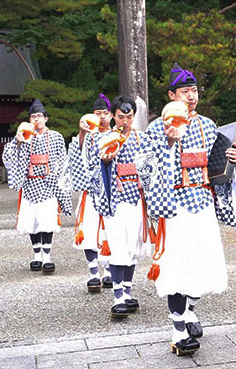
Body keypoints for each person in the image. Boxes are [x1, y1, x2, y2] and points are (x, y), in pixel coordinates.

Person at [137, 63, 236, 356]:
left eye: (194, 91)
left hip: (201, 203)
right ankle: (177, 331)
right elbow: (144, 171)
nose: (191, 96)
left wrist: (233, 159)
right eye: (185, 91)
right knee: (177, 266)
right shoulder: (156, 129)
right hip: (173, 205)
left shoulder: (207, 126)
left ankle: (190, 311)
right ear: (172, 94)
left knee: (202, 264)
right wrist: (169, 145)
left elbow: (217, 168)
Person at [87, 95, 149, 319]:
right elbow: (93, 169)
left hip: (136, 197)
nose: (125, 121)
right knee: (118, 245)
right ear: (113, 116)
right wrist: (105, 161)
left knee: (133, 246)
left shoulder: (143, 139)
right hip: (115, 199)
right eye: (121, 116)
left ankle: (129, 292)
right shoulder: (103, 138)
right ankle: (118, 296)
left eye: (129, 116)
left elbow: (150, 168)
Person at [2, 99, 72, 274]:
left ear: (46, 119)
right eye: (33, 116)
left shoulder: (55, 137)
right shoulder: (24, 136)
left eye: (39, 116)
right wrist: (17, 142)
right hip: (30, 182)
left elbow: (62, 161)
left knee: (47, 221)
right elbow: (9, 158)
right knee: (32, 221)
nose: (36, 120)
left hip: (48, 182)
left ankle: (47, 257)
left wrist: (54, 179)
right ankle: (36, 256)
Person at [68, 93, 114, 292]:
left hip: (113, 192)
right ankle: (93, 272)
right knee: (88, 230)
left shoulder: (117, 134)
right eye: (98, 113)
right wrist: (82, 133)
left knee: (111, 231)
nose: (102, 117)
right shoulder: (86, 136)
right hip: (91, 192)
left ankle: (111, 270)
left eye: (105, 113)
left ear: (111, 115)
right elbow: (76, 155)